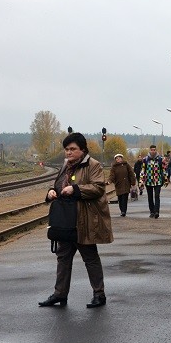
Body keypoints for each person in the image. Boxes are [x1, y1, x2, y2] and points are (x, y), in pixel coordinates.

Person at [39, 132, 113, 309]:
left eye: (72, 149)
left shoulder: (93, 165)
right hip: (66, 222)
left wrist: (75, 189)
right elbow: (58, 185)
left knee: (90, 258)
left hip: (84, 220)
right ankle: (60, 294)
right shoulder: (66, 165)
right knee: (63, 258)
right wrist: (51, 192)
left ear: (83, 150)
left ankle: (99, 294)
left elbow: (98, 188)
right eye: (66, 149)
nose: (68, 153)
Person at [141, 145, 168, 218]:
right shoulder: (145, 159)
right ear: (149, 150)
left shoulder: (160, 159)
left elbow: (164, 170)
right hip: (148, 181)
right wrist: (141, 181)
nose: (153, 151)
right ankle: (152, 211)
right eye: (152, 150)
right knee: (150, 197)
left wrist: (166, 180)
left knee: (157, 196)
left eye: (154, 150)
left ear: (156, 150)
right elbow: (143, 170)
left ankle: (156, 211)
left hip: (157, 180)